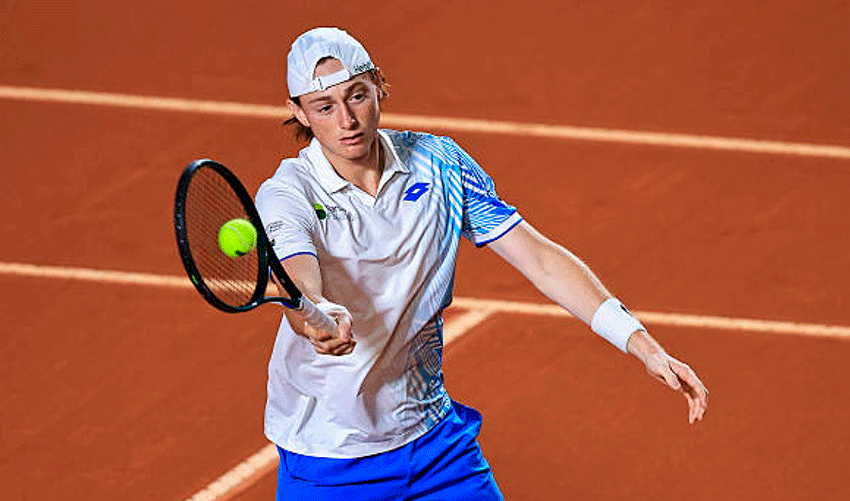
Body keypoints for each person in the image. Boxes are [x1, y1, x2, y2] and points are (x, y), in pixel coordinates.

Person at [255, 27, 708, 501]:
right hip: (328, 456)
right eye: (325, 107)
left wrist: (640, 343)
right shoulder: (289, 195)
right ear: (299, 113)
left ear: (378, 87)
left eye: (357, 97)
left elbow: (540, 258)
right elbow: (296, 275)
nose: (347, 120)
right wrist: (315, 314)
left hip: (433, 442)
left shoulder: (440, 165)